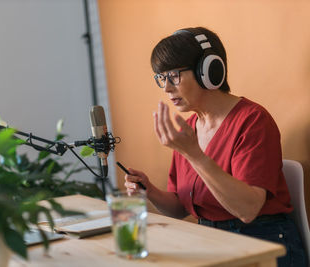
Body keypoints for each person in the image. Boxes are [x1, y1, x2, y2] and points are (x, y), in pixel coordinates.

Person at [123, 26, 306, 267]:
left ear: (208, 71)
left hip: (263, 245)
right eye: (161, 77)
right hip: (212, 240)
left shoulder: (252, 120)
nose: (166, 88)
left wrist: (193, 153)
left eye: (174, 75)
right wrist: (149, 190)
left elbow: (247, 209)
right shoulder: (189, 129)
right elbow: (180, 208)